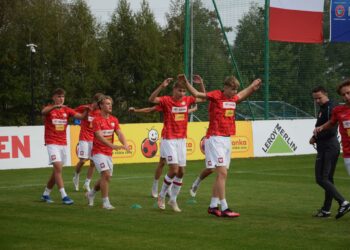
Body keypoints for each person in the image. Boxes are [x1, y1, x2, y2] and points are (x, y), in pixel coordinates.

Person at [182, 74, 262, 217]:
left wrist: (252, 87)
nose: (235, 92)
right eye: (232, 89)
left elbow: (243, 94)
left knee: (220, 175)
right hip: (215, 138)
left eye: (236, 90)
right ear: (225, 87)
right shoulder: (216, 95)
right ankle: (224, 207)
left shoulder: (233, 98)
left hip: (226, 140)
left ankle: (213, 206)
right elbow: (197, 94)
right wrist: (186, 82)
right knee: (221, 173)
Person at [149, 75, 205, 212]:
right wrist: (162, 86)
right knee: (173, 169)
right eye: (179, 90)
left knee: (181, 172)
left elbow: (203, 98)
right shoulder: (166, 100)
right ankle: (161, 195)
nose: (182, 93)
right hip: (169, 139)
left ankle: (173, 199)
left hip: (181, 139)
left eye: (184, 91)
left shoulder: (187, 100)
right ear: (174, 90)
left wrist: (201, 84)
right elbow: (151, 99)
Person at [129, 104, 199, 198]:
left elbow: (184, 111)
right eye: (179, 90)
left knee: (176, 166)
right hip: (167, 138)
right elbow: (150, 108)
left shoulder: (183, 105)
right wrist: (136, 111)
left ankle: (169, 189)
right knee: (162, 163)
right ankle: (155, 185)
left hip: (179, 139)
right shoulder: (168, 103)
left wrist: (193, 109)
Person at [40, 88, 88, 205]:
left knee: (56, 171)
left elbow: (81, 117)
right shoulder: (49, 109)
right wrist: (54, 107)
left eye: (62, 97)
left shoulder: (67, 110)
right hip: (52, 143)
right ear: (53, 98)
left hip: (62, 144)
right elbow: (43, 112)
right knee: (58, 167)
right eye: (58, 96)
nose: (61, 99)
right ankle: (64, 196)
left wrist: (87, 110)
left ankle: (46, 194)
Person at [309, 86, 348, 218]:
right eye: (315, 99)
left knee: (321, 178)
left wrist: (315, 137)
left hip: (328, 147)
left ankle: (343, 202)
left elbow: (331, 130)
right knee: (328, 179)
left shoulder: (331, 108)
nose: (317, 101)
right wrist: (315, 137)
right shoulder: (324, 109)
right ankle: (326, 209)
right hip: (328, 146)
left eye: (319, 98)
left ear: (326, 94)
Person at [85, 95, 129, 210]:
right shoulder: (96, 120)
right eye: (107, 104)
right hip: (98, 152)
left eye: (110, 104)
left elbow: (119, 133)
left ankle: (91, 194)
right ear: (101, 106)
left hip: (108, 153)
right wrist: (112, 145)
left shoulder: (114, 119)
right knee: (105, 175)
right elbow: (99, 136)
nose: (110, 106)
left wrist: (125, 144)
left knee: (106, 177)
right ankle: (105, 202)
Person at [72, 93, 104, 192]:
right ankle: (76, 176)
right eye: (100, 103)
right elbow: (72, 113)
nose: (100, 105)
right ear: (95, 101)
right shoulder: (85, 107)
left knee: (93, 162)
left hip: (94, 139)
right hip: (84, 137)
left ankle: (87, 183)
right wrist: (78, 120)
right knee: (82, 160)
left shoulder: (100, 112)